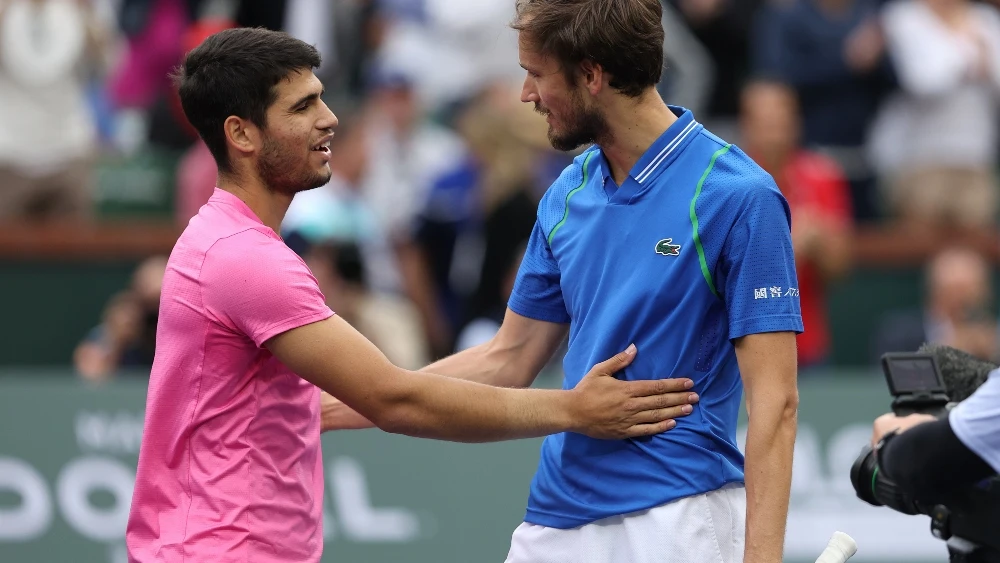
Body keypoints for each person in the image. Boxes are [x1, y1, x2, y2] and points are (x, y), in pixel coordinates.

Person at [124, 27, 699, 563]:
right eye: (302, 108)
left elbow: (359, 395)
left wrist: (312, 409)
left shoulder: (219, 240)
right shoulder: (247, 259)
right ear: (241, 133)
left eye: (321, 98)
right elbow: (395, 399)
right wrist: (575, 410)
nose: (330, 120)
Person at [330, 1, 803, 561]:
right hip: (553, 522)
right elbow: (506, 360)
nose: (526, 94)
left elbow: (775, 404)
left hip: (678, 519)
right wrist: (334, 406)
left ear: (591, 75)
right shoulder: (565, 193)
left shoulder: (739, 196)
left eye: (535, 73)